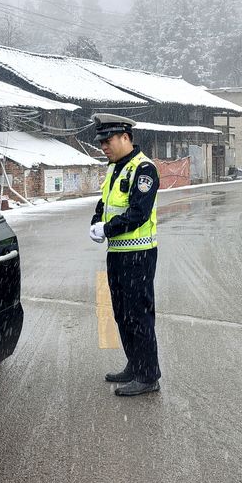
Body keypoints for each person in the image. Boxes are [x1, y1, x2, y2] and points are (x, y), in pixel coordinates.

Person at [89, 113, 161, 397]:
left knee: (138, 314)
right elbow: (105, 201)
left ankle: (149, 375)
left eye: (108, 141)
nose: (104, 146)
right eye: (101, 142)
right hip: (117, 254)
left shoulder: (143, 169)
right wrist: (97, 222)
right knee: (121, 314)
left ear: (126, 138)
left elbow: (138, 213)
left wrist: (107, 229)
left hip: (139, 255)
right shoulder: (114, 168)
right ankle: (135, 364)